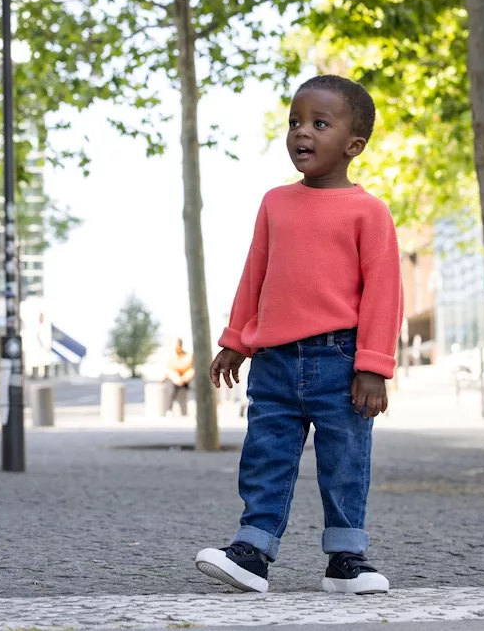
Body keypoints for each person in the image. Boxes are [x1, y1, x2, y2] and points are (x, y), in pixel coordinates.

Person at [194, 75, 402, 596]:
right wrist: (236, 338)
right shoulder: (275, 203)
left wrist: (374, 365)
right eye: (294, 122)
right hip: (275, 362)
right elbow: (255, 274)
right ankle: (252, 551)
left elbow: (384, 292)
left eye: (319, 123)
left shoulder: (369, 211)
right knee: (266, 454)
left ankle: (346, 559)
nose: (301, 133)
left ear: (354, 145)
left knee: (345, 461)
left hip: (341, 360)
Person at [165, 338, 194, 416]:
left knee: (193, 386)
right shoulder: (171, 356)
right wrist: (176, 378)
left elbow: (191, 369)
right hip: (174, 379)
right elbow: (169, 370)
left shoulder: (188, 356)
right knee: (171, 389)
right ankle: (169, 409)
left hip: (185, 379)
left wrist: (183, 379)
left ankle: (194, 407)